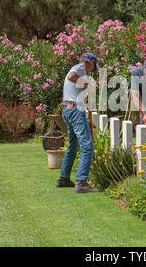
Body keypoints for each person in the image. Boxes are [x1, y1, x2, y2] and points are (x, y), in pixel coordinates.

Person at [56, 52, 99, 193]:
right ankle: (81, 183)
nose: (92, 71)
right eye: (93, 68)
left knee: (73, 146)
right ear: (91, 63)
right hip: (74, 111)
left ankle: (64, 179)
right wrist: (87, 82)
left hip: (69, 110)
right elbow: (72, 77)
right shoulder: (80, 68)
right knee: (87, 146)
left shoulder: (77, 69)